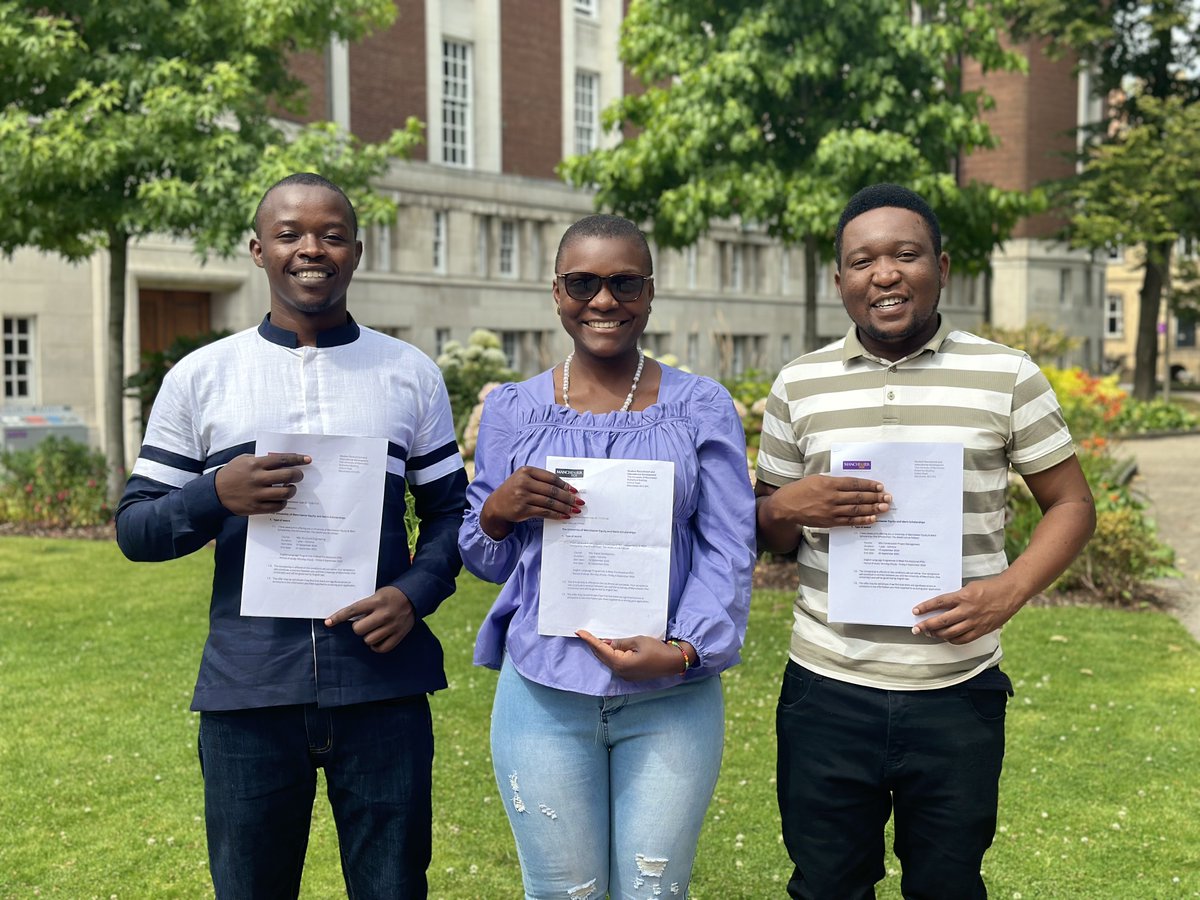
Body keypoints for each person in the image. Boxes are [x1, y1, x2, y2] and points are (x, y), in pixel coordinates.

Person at [115, 172, 467, 899]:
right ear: (258, 250)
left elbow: (450, 513)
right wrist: (216, 492)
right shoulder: (202, 377)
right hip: (250, 690)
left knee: (394, 887)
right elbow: (137, 528)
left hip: (381, 686)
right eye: (290, 235)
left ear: (357, 251)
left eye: (332, 235)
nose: (312, 249)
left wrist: (416, 592)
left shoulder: (408, 373)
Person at [755, 183, 1096, 899]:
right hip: (827, 687)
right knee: (824, 887)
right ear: (841, 279)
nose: (884, 273)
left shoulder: (1006, 374)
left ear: (941, 266)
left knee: (947, 885)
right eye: (862, 261)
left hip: (957, 691)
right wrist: (788, 502)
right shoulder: (799, 385)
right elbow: (770, 530)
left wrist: (1009, 590)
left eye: (905, 255)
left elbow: (1070, 504)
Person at [459, 214, 756, 898]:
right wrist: (499, 509)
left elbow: (728, 544)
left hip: (670, 695)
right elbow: (485, 559)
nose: (603, 300)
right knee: (562, 891)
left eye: (624, 282)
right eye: (582, 282)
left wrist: (687, 652)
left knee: (654, 890)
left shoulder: (700, 405)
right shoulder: (514, 409)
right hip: (544, 692)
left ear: (650, 293)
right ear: (556, 292)